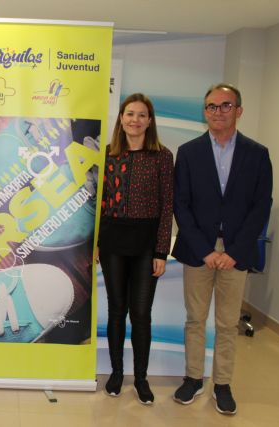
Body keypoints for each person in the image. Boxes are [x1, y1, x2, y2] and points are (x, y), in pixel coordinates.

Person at [172, 84, 272, 415]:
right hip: (198, 250)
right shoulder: (188, 152)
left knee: (228, 323)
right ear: (205, 112)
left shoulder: (257, 154)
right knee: (195, 319)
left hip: (235, 252)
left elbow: (261, 206)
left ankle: (223, 384)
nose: (218, 112)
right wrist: (205, 250)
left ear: (238, 110)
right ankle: (193, 378)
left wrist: (235, 251)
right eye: (211, 106)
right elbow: (181, 204)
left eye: (225, 105)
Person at [99, 93, 174, 404]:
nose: (135, 120)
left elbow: (167, 206)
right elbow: (98, 201)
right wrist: (96, 244)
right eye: (130, 113)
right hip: (112, 242)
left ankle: (141, 378)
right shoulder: (107, 154)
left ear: (150, 121)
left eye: (142, 115)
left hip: (146, 244)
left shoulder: (162, 156)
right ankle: (117, 373)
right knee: (117, 310)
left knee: (141, 314)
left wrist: (161, 252)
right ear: (121, 118)